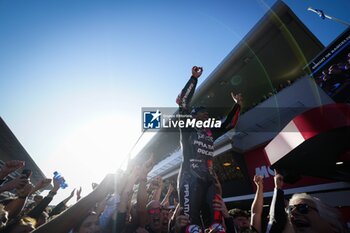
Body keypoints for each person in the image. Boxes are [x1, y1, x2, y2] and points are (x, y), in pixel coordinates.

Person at [176, 66, 242, 232]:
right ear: (192, 116)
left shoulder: (210, 132)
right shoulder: (187, 127)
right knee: (191, 226)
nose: (206, 114)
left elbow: (230, 123)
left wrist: (238, 106)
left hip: (209, 178)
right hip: (189, 178)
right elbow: (183, 103)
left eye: (207, 113)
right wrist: (193, 78)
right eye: (202, 112)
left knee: (217, 225)